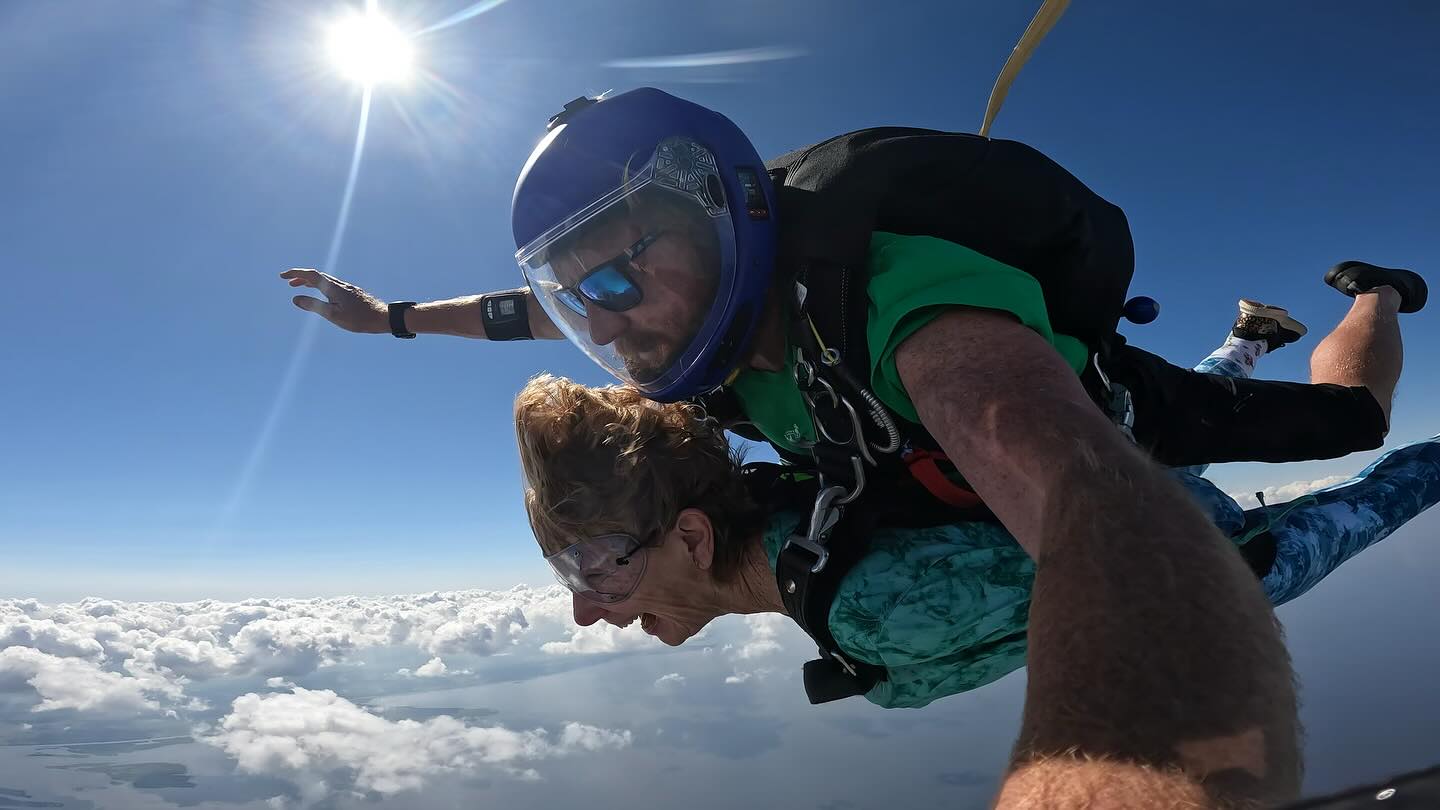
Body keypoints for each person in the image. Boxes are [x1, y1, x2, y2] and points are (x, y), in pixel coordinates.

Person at [513, 370, 1439, 805]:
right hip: (1110, 456)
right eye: (570, 569)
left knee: (1378, 492)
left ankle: (1381, 307)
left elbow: (1137, 599)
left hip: (1215, 557)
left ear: (691, 534)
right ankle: (1244, 350)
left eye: (600, 565)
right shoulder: (800, 490)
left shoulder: (880, 616)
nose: (587, 604)